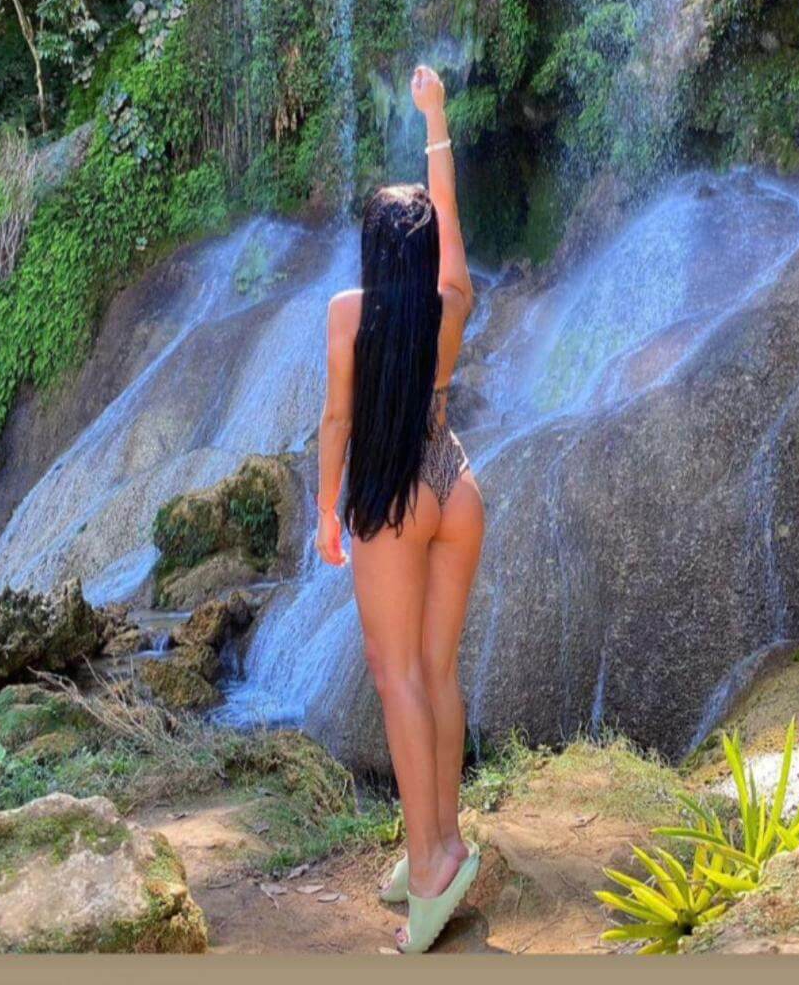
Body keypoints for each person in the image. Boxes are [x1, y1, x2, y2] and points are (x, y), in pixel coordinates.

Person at [314, 64, 485, 953]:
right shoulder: (450, 305)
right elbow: (447, 214)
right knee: (437, 671)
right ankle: (441, 838)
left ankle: (430, 867)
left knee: (397, 677)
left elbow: (337, 421)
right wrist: (435, 117)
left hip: (393, 497)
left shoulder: (349, 314)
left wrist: (324, 513)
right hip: (455, 485)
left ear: (373, 252)